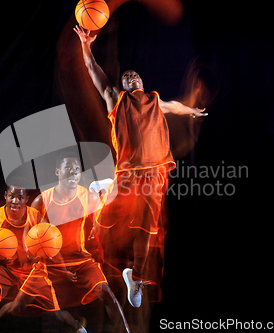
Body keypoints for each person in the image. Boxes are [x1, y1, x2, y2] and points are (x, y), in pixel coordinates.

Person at [74, 25, 207, 308]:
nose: (131, 76)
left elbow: (176, 106)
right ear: (123, 85)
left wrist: (192, 110)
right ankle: (102, 195)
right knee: (109, 222)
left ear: (142, 82)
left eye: (134, 75)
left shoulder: (155, 101)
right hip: (128, 171)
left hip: (155, 172)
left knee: (148, 229)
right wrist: (86, 46)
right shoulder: (115, 99)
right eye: (126, 76)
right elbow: (92, 69)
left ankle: (135, 277)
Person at [0, 185, 86, 333]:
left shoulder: (36, 216)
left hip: (33, 270)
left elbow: (52, 242)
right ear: (5, 195)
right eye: (12, 196)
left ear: (26, 199)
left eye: (20, 198)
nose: (15, 201)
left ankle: (79, 328)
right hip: (7, 268)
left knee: (52, 312)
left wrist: (64, 269)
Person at [31, 152, 130, 333]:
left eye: (77, 169)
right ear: (57, 172)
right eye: (68, 168)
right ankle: (77, 328)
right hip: (51, 262)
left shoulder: (87, 197)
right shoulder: (42, 200)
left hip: (80, 260)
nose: (73, 172)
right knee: (44, 308)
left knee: (108, 295)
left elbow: (103, 219)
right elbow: (32, 235)